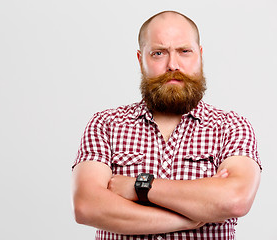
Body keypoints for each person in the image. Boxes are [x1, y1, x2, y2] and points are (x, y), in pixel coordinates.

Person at [71, 10, 261, 240]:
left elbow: (235, 200)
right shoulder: (105, 124)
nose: (173, 64)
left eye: (184, 51)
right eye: (159, 53)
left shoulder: (231, 127)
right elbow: (87, 206)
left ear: (199, 56)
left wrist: (139, 187)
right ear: (141, 59)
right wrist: (185, 219)